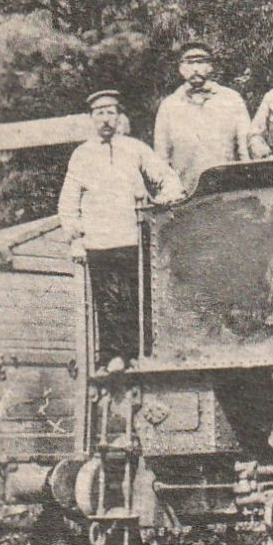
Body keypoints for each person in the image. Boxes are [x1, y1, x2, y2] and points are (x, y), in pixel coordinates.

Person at [57, 90, 186, 371]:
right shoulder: (82, 155)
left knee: (136, 297)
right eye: (99, 113)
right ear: (91, 118)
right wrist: (75, 241)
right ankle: (113, 357)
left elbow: (165, 178)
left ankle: (138, 355)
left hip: (133, 238)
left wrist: (165, 200)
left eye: (111, 112)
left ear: (119, 117)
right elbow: (68, 202)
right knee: (107, 301)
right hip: (99, 240)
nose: (106, 119)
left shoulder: (135, 148)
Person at [153, 42, 251, 188]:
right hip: (186, 193)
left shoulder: (231, 99)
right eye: (189, 63)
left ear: (211, 67)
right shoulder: (169, 106)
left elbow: (246, 149)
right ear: (180, 68)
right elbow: (161, 157)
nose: (195, 69)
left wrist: (247, 182)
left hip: (227, 189)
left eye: (201, 62)